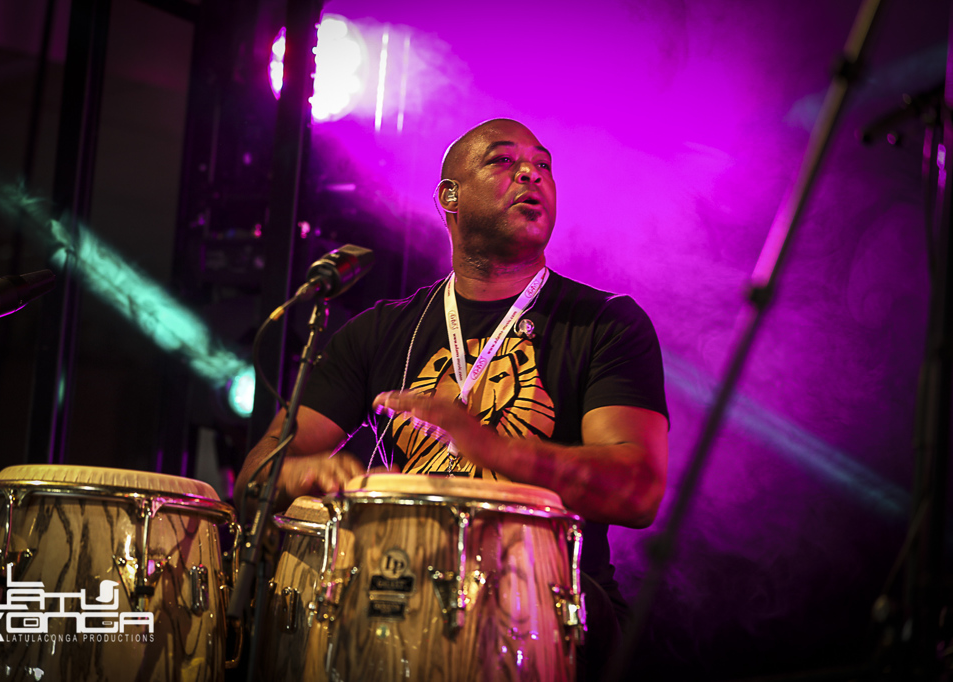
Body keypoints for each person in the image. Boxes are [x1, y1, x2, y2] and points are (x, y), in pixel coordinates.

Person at [236, 118, 669, 679]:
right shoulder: (378, 333)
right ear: (450, 196)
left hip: (548, 611)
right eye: (504, 160)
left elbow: (638, 490)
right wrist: (300, 473)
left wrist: (492, 448)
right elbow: (256, 476)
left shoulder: (606, 323)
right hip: (395, 594)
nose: (531, 174)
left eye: (543, 165)